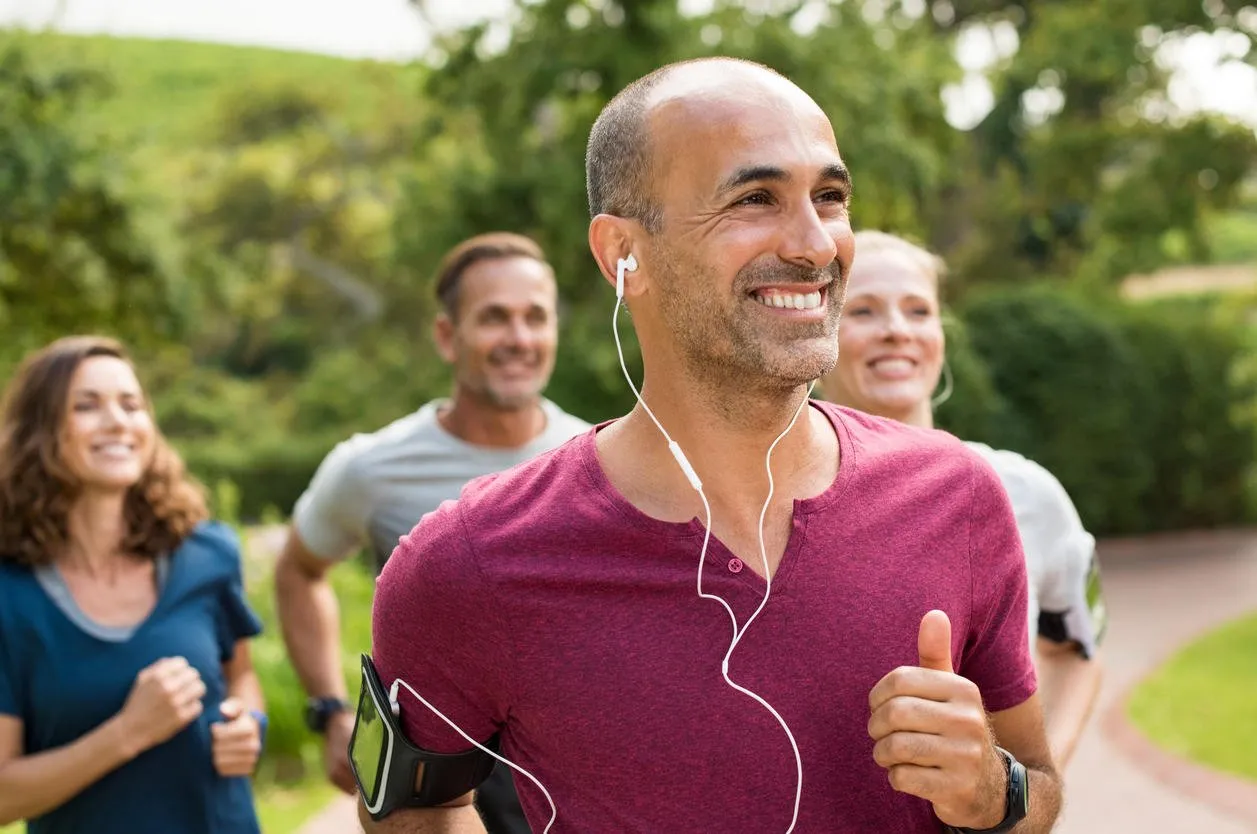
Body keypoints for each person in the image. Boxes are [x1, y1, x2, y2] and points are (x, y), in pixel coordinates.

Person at [364, 57, 1063, 833]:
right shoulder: (468, 562)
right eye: (755, 198)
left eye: (829, 198)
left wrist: (992, 793)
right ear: (621, 256)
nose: (814, 245)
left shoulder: (957, 497)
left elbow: (1042, 791)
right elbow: (409, 815)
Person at [275, 232, 589, 833]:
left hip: (563, 789)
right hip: (433, 789)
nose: (519, 339)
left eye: (535, 318)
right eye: (494, 318)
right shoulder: (372, 468)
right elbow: (298, 571)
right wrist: (331, 710)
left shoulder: (593, 459)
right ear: (448, 336)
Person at [819, 229, 1106, 766]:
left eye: (918, 311)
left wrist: (1027, 795)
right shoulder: (773, 505)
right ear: (821, 332)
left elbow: (1078, 652)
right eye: (863, 312)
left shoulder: (1028, 494)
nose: (897, 331)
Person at [0, 336, 266, 834]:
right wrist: (127, 732)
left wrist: (248, 724)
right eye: (87, 406)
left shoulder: (208, 554)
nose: (118, 422)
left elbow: (240, 676)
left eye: (131, 404)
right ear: (39, 430)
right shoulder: (10, 595)